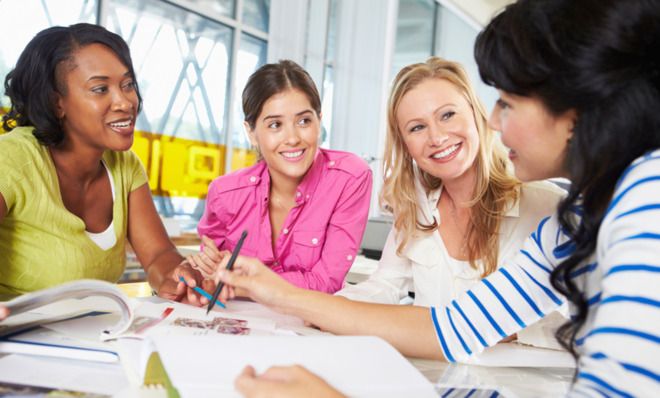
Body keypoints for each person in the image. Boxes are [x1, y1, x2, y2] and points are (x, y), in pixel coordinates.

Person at [215, 0, 660, 396]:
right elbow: (450, 328)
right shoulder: (573, 221)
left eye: (508, 101)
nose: (493, 119)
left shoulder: (647, 200)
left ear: (576, 102)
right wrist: (277, 293)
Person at [336, 56, 566, 348]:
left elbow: (582, 322)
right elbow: (386, 285)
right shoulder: (416, 209)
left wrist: (504, 326)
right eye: (417, 128)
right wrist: (326, 308)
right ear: (405, 145)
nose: (437, 137)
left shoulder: (548, 206)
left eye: (447, 115)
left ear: (476, 114)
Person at [0, 23, 207, 304]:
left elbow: (159, 255)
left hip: (93, 337)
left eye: (128, 85)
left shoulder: (124, 165)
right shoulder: (13, 158)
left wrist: (177, 276)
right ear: (56, 102)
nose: (124, 102)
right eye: (100, 89)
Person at [187, 60, 372, 293]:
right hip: (240, 322)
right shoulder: (225, 193)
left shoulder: (349, 177)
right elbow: (212, 271)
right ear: (251, 133)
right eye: (275, 125)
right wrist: (203, 270)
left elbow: (326, 283)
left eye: (304, 121)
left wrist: (243, 283)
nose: (293, 138)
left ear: (319, 121)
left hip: (310, 326)